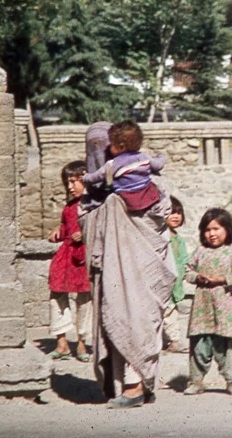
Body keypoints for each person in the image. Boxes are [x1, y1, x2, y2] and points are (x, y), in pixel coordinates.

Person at [79, 122, 177, 409]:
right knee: (121, 317)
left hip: (142, 267)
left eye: (104, 147)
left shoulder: (144, 184)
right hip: (111, 271)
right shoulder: (98, 196)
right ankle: (126, 385)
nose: (101, 152)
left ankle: (135, 387)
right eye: (94, 148)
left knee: (134, 315)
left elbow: (160, 217)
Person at [183, 208, 232, 397]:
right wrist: (197, 277)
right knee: (200, 345)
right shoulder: (199, 252)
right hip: (202, 308)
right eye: (208, 230)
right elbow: (187, 271)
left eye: (216, 229)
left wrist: (222, 279)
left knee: (226, 345)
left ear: (228, 230)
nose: (212, 234)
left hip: (224, 308)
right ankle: (196, 381)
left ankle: (231, 381)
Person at [47, 160, 92, 362]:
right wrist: (59, 229)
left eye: (76, 181)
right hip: (66, 256)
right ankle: (62, 342)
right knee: (57, 293)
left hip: (84, 257)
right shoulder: (69, 207)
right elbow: (66, 224)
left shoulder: (95, 206)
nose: (70, 187)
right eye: (68, 182)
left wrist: (85, 233)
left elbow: (103, 229)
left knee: (85, 299)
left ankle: (82, 342)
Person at [83, 120, 166, 213]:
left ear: (121, 146)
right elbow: (158, 165)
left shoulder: (112, 164)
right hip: (149, 198)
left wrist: (85, 177)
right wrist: (161, 156)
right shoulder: (143, 157)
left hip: (126, 203)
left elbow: (95, 176)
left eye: (109, 144)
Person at [162, 195, 190, 354]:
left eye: (179, 213)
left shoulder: (180, 240)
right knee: (168, 311)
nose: (176, 216)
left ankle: (172, 340)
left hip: (176, 282)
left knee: (171, 310)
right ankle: (174, 340)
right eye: (172, 212)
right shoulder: (161, 237)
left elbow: (185, 260)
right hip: (163, 282)